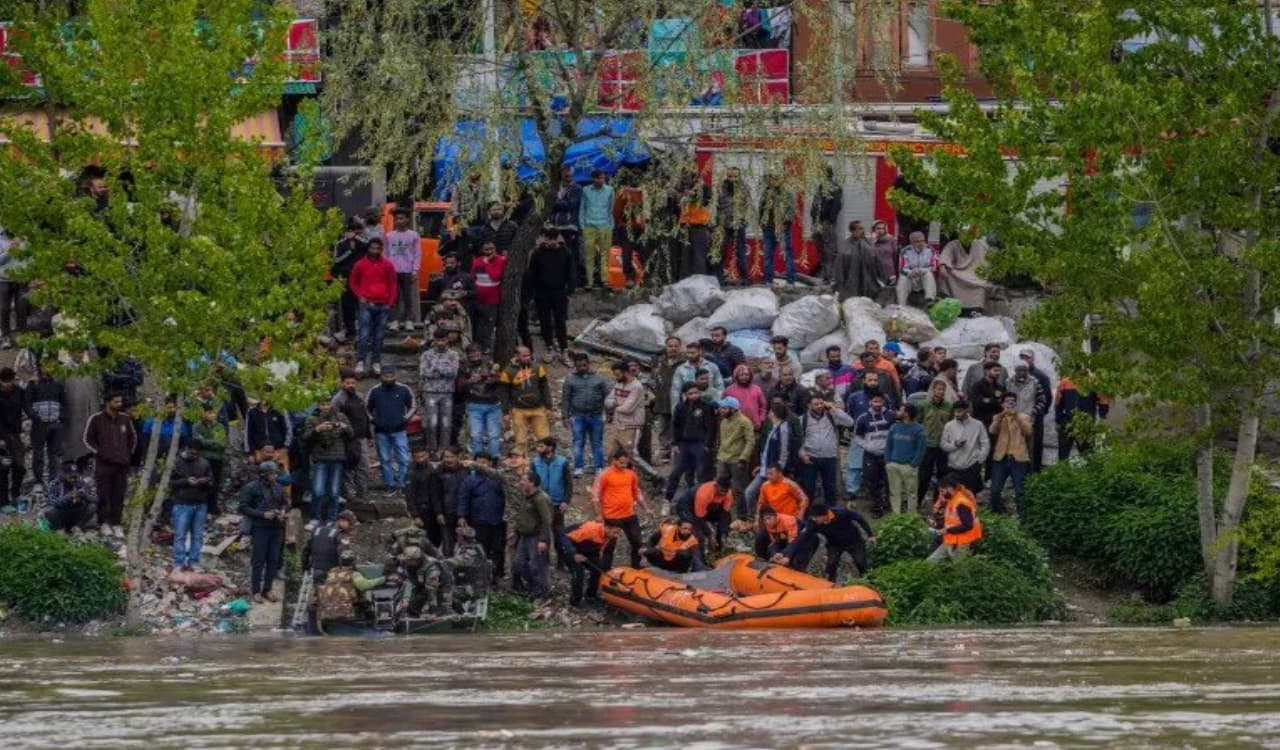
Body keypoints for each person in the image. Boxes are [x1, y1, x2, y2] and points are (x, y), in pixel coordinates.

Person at [84, 392, 137, 539]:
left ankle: (117, 524)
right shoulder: (96, 419)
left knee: (119, 495)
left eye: (120, 402)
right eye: (116, 402)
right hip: (103, 465)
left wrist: (127, 455)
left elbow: (133, 438)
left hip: (121, 465)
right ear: (108, 402)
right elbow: (88, 439)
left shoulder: (125, 419)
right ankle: (104, 523)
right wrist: (100, 453)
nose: (119, 405)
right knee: (103, 495)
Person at [780, 503, 876, 581]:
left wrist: (870, 535)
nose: (814, 520)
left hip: (854, 542)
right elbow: (800, 539)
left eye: (816, 518)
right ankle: (831, 585)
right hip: (834, 545)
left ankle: (867, 581)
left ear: (824, 516)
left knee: (861, 563)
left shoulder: (841, 513)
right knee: (831, 565)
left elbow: (860, 519)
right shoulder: (813, 523)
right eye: (813, 518)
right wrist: (787, 554)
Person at [239, 461, 288, 603]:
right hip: (260, 527)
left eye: (275, 473)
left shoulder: (278, 487)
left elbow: (285, 502)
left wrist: (283, 511)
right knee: (258, 560)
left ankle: (268, 589)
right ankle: (256, 591)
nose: (274, 476)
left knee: (273, 560)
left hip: (276, 527)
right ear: (263, 474)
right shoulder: (251, 488)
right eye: (271, 474)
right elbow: (243, 507)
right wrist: (262, 514)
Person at [348, 236, 398, 376]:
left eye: (378, 248)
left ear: (381, 249)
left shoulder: (388, 265)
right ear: (368, 248)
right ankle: (361, 361)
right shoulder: (360, 264)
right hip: (367, 304)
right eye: (372, 248)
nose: (375, 251)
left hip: (383, 304)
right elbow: (353, 282)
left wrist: (390, 302)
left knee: (379, 335)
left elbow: (393, 284)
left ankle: (376, 361)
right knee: (363, 334)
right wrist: (360, 297)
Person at [593, 450, 649, 568]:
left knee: (637, 542)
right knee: (609, 546)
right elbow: (596, 495)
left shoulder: (630, 474)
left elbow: (636, 492)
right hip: (612, 516)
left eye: (625, 463)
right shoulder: (604, 475)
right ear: (614, 460)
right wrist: (599, 514)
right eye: (621, 463)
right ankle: (606, 571)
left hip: (629, 514)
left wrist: (646, 508)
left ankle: (636, 569)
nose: (623, 465)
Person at [302, 400, 353, 525]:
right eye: (322, 404)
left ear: (332, 404)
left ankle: (331, 519)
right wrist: (317, 429)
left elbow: (351, 434)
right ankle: (315, 518)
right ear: (318, 405)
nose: (325, 407)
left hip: (337, 458)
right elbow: (305, 437)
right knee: (317, 491)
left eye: (327, 403)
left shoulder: (341, 416)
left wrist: (344, 426)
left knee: (334, 492)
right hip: (320, 458)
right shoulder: (312, 419)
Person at [457, 452, 507, 580]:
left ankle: (497, 575)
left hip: (499, 520)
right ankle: (481, 575)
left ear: (490, 463)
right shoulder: (470, 480)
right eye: (478, 462)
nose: (481, 465)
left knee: (498, 548)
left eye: (484, 462)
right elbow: (463, 499)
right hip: (479, 520)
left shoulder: (499, 478)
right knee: (481, 549)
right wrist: (462, 516)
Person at [365, 366, 415, 490]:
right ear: (381, 377)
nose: (388, 378)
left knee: (403, 459)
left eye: (391, 376)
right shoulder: (374, 391)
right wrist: (374, 421)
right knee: (385, 460)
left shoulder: (404, 389)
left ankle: (403, 485)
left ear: (395, 375)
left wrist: (405, 419)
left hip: (400, 431)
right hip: (381, 432)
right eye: (385, 376)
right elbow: (366, 408)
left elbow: (413, 406)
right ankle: (390, 485)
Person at [665, 382, 716, 506]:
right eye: (690, 393)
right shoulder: (680, 407)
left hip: (700, 443)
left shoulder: (705, 406)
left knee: (702, 472)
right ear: (685, 395)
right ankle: (667, 499)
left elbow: (710, 427)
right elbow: (676, 426)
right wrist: (675, 443)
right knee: (676, 471)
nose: (694, 395)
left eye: (696, 393)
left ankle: (703, 500)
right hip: (684, 444)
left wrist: (708, 445)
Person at [798, 396, 852, 507]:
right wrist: (802, 454)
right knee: (809, 488)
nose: (819, 406)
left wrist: (834, 409)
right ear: (809, 405)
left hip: (829, 457)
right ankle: (809, 513)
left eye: (821, 403)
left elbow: (850, 422)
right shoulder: (803, 420)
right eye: (816, 404)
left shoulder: (832, 416)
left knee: (830, 488)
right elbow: (798, 440)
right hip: (811, 457)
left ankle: (831, 512)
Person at [527, 229, 573, 358]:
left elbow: (570, 273)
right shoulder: (537, 253)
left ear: (558, 238)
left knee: (560, 321)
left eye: (554, 238)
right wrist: (532, 292)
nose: (552, 241)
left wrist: (570, 290)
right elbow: (532, 274)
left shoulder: (565, 253)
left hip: (559, 292)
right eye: (549, 238)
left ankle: (564, 348)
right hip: (542, 293)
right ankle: (549, 346)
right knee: (544, 320)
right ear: (544, 238)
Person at [169, 440, 213, 571]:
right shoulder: (176, 462)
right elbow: (169, 482)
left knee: (198, 536)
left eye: (196, 454)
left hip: (200, 503)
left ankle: (194, 561)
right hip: (182, 503)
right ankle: (178, 563)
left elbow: (212, 481)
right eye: (191, 453)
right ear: (186, 448)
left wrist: (205, 481)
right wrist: (185, 481)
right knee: (180, 535)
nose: (194, 456)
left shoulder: (204, 463)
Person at [563, 352, 609, 477]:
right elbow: (566, 399)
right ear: (575, 366)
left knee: (597, 442)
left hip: (596, 415)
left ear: (588, 364)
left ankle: (598, 467)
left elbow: (607, 396)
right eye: (579, 366)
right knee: (578, 442)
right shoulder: (570, 379)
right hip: (578, 416)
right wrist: (565, 416)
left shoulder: (599, 378)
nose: (582, 368)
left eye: (584, 365)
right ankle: (578, 467)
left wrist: (608, 413)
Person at [499, 346, 553, 449]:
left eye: (529, 355)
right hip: (518, 410)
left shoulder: (537, 367)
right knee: (520, 441)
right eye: (524, 356)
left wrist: (549, 407)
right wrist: (505, 412)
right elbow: (504, 392)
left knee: (545, 440)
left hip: (538, 408)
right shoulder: (508, 371)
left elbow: (544, 387)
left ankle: (548, 463)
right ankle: (522, 464)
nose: (528, 357)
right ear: (516, 356)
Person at [511, 470, 553, 600]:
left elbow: (547, 520)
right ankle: (533, 586)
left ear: (532, 482)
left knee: (537, 566)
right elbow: (523, 516)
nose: (521, 483)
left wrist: (543, 540)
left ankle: (541, 593)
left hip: (536, 537)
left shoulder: (541, 498)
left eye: (523, 480)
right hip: (524, 536)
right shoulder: (526, 496)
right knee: (518, 563)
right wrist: (515, 532)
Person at [332, 370, 372, 501]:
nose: (351, 385)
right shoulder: (338, 399)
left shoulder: (359, 396)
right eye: (348, 383)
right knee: (349, 467)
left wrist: (369, 435)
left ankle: (363, 492)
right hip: (347, 439)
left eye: (353, 383)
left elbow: (365, 416)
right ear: (342, 383)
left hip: (362, 438)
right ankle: (350, 494)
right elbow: (333, 419)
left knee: (363, 466)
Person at [418, 329, 461, 454]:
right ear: (434, 340)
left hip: (447, 392)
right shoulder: (426, 354)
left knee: (446, 423)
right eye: (438, 340)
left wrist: (438, 370)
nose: (440, 343)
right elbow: (423, 372)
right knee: (432, 422)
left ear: (447, 340)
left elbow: (453, 373)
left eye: (443, 340)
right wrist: (440, 371)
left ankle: (444, 449)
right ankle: (432, 448)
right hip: (430, 391)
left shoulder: (453, 354)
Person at [853, 393, 896, 516]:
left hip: (888, 455)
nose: (877, 404)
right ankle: (877, 506)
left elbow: (895, 432)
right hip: (870, 455)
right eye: (875, 401)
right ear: (870, 402)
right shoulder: (862, 418)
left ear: (883, 402)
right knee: (872, 481)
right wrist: (866, 446)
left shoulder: (891, 416)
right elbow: (857, 436)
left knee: (889, 481)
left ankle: (889, 504)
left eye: (879, 401)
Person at [988, 394, 1032, 514]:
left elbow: (1028, 432)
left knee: (1020, 491)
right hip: (1000, 458)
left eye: (1013, 402)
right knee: (995, 490)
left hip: (1018, 458)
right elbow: (992, 430)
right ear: (1002, 404)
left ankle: (1022, 517)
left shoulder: (1024, 417)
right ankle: (998, 514)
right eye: (1007, 402)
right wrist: (1002, 415)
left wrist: (1016, 416)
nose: (1010, 404)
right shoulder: (998, 417)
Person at [561, 520, 620, 606]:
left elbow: (602, 551)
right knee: (578, 572)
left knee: (598, 569)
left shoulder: (610, 536)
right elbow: (564, 538)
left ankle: (591, 595)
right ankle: (575, 600)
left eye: (618, 533)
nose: (616, 535)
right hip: (570, 548)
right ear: (607, 528)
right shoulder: (590, 530)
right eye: (615, 532)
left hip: (587, 549)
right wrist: (574, 553)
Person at [531, 436, 572, 559]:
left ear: (550, 447)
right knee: (542, 534)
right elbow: (532, 482)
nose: (538, 449)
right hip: (540, 503)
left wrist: (566, 501)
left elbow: (568, 483)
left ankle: (562, 560)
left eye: (541, 446)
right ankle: (544, 560)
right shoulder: (535, 462)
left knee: (559, 534)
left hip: (557, 504)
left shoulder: (562, 462)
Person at [25, 366, 66, 487]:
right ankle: (39, 480)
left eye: (48, 366)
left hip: (55, 424)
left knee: (54, 454)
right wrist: (36, 418)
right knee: (38, 454)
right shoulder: (33, 385)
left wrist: (61, 418)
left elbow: (64, 403)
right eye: (43, 366)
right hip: (39, 425)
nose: (46, 370)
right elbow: (27, 404)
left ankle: (53, 480)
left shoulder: (58, 385)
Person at [927, 474, 983, 563]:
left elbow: (967, 525)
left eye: (942, 491)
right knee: (930, 562)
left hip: (962, 541)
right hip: (951, 538)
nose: (941, 494)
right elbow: (952, 520)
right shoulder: (952, 499)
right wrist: (937, 524)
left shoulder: (961, 503)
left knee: (959, 569)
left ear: (950, 488)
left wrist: (947, 530)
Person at [458, 345, 501, 457]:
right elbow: (459, 384)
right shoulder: (464, 366)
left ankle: (494, 458)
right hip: (474, 404)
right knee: (475, 435)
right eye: (471, 353)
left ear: (481, 353)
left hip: (493, 403)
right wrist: (470, 381)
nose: (474, 355)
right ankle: (477, 459)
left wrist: (494, 379)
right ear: (467, 355)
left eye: (476, 352)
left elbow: (501, 378)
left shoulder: (490, 364)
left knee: (493, 435)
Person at [916, 380, 953, 507]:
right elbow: (917, 424)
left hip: (942, 445)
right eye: (938, 389)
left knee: (942, 475)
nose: (941, 392)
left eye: (943, 389)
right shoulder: (923, 405)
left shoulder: (949, 406)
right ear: (933, 390)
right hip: (927, 445)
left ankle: (938, 501)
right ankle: (918, 502)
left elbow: (951, 424)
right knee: (924, 476)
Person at [885, 403, 927, 515]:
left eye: (901, 410)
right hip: (893, 464)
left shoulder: (919, 429)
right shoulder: (894, 427)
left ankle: (911, 516)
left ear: (907, 414)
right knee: (894, 492)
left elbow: (921, 449)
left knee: (911, 493)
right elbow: (888, 445)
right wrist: (888, 461)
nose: (898, 412)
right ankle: (896, 515)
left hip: (909, 466)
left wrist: (914, 464)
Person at [385, 207, 422, 332]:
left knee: (407, 297)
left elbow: (417, 254)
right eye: (396, 219)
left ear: (407, 219)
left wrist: (415, 270)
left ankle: (409, 320)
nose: (399, 221)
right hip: (392, 271)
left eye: (401, 218)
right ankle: (394, 320)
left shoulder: (413, 235)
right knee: (394, 297)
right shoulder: (389, 236)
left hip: (407, 270)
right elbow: (386, 254)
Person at [1056, 375, 1110, 461]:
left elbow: (1103, 400)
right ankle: (1063, 472)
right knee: (1064, 455)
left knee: (1086, 454)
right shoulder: (1066, 381)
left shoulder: (1093, 381)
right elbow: (1058, 402)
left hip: (1084, 423)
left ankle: (1088, 472)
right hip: (1069, 422)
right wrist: (1059, 420)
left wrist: (1102, 417)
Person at [941, 400, 989, 494]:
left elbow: (985, 443)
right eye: (955, 411)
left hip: (972, 465)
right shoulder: (949, 425)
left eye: (959, 411)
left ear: (966, 410)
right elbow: (943, 445)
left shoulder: (978, 424)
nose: (956, 414)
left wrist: (980, 460)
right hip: (954, 465)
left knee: (970, 495)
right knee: (954, 495)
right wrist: (955, 445)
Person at [331, 219, 367, 342]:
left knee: (362, 305)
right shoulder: (340, 244)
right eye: (348, 231)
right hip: (345, 278)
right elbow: (336, 261)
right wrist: (349, 251)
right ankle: (350, 331)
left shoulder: (362, 243)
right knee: (347, 307)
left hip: (360, 279)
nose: (350, 233)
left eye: (353, 231)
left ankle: (364, 331)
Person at [578, 170, 615, 289]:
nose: (601, 180)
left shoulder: (609, 190)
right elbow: (582, 207)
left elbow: (611, 208)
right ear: (593, 179)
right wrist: (582, 225)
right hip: (589, 226)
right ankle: (590, 281)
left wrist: (611, 225)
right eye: (599, 178)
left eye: (603, 178)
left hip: (605, 225)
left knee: (605, 254)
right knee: (589, 255)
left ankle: (604, 280)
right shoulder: (586, 190)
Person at [1018, 349, 1054, 473]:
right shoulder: (1016, 376)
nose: (1024, 360)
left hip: (1035, 418)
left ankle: (1034, 474)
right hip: (1018, 418)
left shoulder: (1041, 376)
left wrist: (1038, 413)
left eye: (1027, 357)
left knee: (1036, 446)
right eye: (1022, 357)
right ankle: (1020, 474)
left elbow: (1047, 398)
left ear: (1032, 359)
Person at [937, 231, 990, 314]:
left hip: (974, 274)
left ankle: (976, 309)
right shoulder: (953, 244)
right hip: (957, 273)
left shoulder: (979, 245)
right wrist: (942, 266)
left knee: (980, 285)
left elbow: (985, 263)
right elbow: (945, 256)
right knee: (947, 274)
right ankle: (956, 308)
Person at [650, 337, 683, 463]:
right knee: (664, 427)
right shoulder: (660, 362)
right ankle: (664, 451)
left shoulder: (684, 363)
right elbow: (655, 379)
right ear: (666, 347)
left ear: (680, 347)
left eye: (675, 346)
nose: (673, 348)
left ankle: (677, 451)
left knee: (678, 426)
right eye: (670, 346)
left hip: (678, 400)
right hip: (662, 399)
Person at [301, 509, 357, 584]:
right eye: (350, 524)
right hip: (331, 574)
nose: (351, 527)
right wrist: (353, 569)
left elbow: (305, 551)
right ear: (341, 521)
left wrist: (305, 568)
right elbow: (346, 557)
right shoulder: (340, 535)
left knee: (318, 593)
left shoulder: (317, 530)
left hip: (315, 571)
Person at [759, 172, 796, 285]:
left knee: (787, 253)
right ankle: (768, 280)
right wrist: (761, 222)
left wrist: (785, 222)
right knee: (767, 254)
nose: (772, 181)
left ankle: (790, 280)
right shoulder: (766, 192)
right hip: (768, 228)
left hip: (782, 228)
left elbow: (791, 209)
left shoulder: (786, 192)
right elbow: (761, 207)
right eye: (770, 179)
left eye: (775, 179)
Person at [405, 447, 446, 547]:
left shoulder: (432, 468)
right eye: (417, 457)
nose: (420, 459)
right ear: (413, 458)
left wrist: (438, 511)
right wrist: (415, 515)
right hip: (422, 509)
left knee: (438, 537)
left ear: (427, 454)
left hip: (434, 508)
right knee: (425, 539)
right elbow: (410, 495)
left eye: (423, 456)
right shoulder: (411, 473)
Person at [716, 166, 751, 284]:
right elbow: (715, 205)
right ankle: (719, 277)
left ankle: (745, 278)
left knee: (740, 252)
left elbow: (747, 206)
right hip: (724, 224)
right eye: (730, 176)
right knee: (721, 251)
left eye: (735, 176)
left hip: (738, 224)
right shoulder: (720, 188)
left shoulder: (744, 188)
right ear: (727, 176)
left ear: (739, 176)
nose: (732, 179)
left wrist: (742, 218)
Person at [605, 361, 646, 458]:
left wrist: (615, 405)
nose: (616, 377)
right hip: (617, 424)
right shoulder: (618, 384)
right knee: (611, 454)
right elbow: (607, 402)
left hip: (631, 426)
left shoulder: (637, 387)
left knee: (630, 455)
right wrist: (616, 403)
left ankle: (634, 473)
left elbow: (628, 409)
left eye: (618, 375)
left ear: (626, 373)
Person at [613, 171, 647, 288]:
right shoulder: (624, 192)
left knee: (643, 252)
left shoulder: (644, 191)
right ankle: (630, 277)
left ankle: (642, 276)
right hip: (627, 227)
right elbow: (617, 212)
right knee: (627, 253)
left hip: (640, 227)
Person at [669, 342, 724, 412]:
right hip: (689, 409)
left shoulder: (712, 366)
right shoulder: (681, 369)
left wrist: (718, 406)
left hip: (710, 407)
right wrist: (675, 411)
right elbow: (675, 392)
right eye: (688, 353)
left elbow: (720, 387)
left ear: (700, 352)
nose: (690, 355)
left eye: (693, 353)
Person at [43, 460, 97, 534]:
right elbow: (51, 503)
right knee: (50, 511)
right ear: (63, 474)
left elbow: (96, 499)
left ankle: (78, 527)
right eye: (71, 476)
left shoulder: (81, 482)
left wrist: (85, 496)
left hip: (76, 512)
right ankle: (60, 529)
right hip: (62, 513)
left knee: (92, 507)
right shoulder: (54, 484)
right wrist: (67, 498)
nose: (73, 479)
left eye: (75, 476)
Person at [811, 166, 843, 283]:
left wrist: (830, 221)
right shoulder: (820, 187)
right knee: (821, 249)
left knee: (828, 250)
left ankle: (829, 277)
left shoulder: (835, 188)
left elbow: (836, 205)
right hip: (817, 223)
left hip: (825, 223)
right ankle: (826, 276)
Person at [836, 220, 881, 301]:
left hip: (866, 279)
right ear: (853, 230)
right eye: (860, 228)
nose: (862, 231)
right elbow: (840, 264)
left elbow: (874, 258)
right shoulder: (846, 245)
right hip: (851, 280)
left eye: (862, 228)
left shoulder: (866, 242)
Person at [691, 476, 733, 553]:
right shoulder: (704, 494)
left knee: (727, 520)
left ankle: (719, 547)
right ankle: (702, 550)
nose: (723, 493)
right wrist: (710, 535)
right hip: (693, 507)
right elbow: (700, 517)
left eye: (725, 491)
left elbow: (725, 514)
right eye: (722, 490)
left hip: (711, 508)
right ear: (716, 486)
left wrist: (723, 533)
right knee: (699, 533)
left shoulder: (728, 493)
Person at [0, 368, 23, 511]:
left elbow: (25, 405)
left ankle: (16, 494)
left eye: (10, 381)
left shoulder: (18, 391)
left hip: (15, 435)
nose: (8, 384)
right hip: (1, 436)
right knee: (2, 469)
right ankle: (3, 502)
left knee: (20, 467)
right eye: (4, 381)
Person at [896, 231, 939, 307]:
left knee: (928, 274)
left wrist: (921, 270)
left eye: (922, 240)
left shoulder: (931, 250)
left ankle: (929, 300)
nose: (921, 243)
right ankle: (901, 305)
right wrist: (911, 272)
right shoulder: (905, 251)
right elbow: (902, 268)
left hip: (924, 277)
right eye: (917, 241)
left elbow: (934, 267)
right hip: (911, 277)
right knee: (903, 278)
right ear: (912, 242)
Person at [722, 364, 767, 430]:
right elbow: (723, 408)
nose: (744, 377)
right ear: (737, 376)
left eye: (746, 375)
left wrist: (761, 419)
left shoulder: (756, 389)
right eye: (741, 375)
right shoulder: (729, 390)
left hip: (754, 426)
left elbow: (763, 406)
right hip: (735, 427)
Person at [968, 361, 1007, 430]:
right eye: (995, 370)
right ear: (986, 371)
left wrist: (988, 400)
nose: (998, 373)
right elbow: (978, 403)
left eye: (999, 371)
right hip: (981, 422)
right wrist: (995, 401)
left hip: (996, 422)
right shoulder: (977, 386)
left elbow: (1002, 403)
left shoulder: (1000, 387)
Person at [870, 220, 898, 288]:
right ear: (873, 229)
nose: (881, 230)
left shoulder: (891, 240)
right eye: (878, 228)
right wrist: (873, 242)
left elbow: (895, 255)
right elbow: (870, 255)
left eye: (883, 228)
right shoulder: (870, 241)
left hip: (890, 271)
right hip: (876, 272)